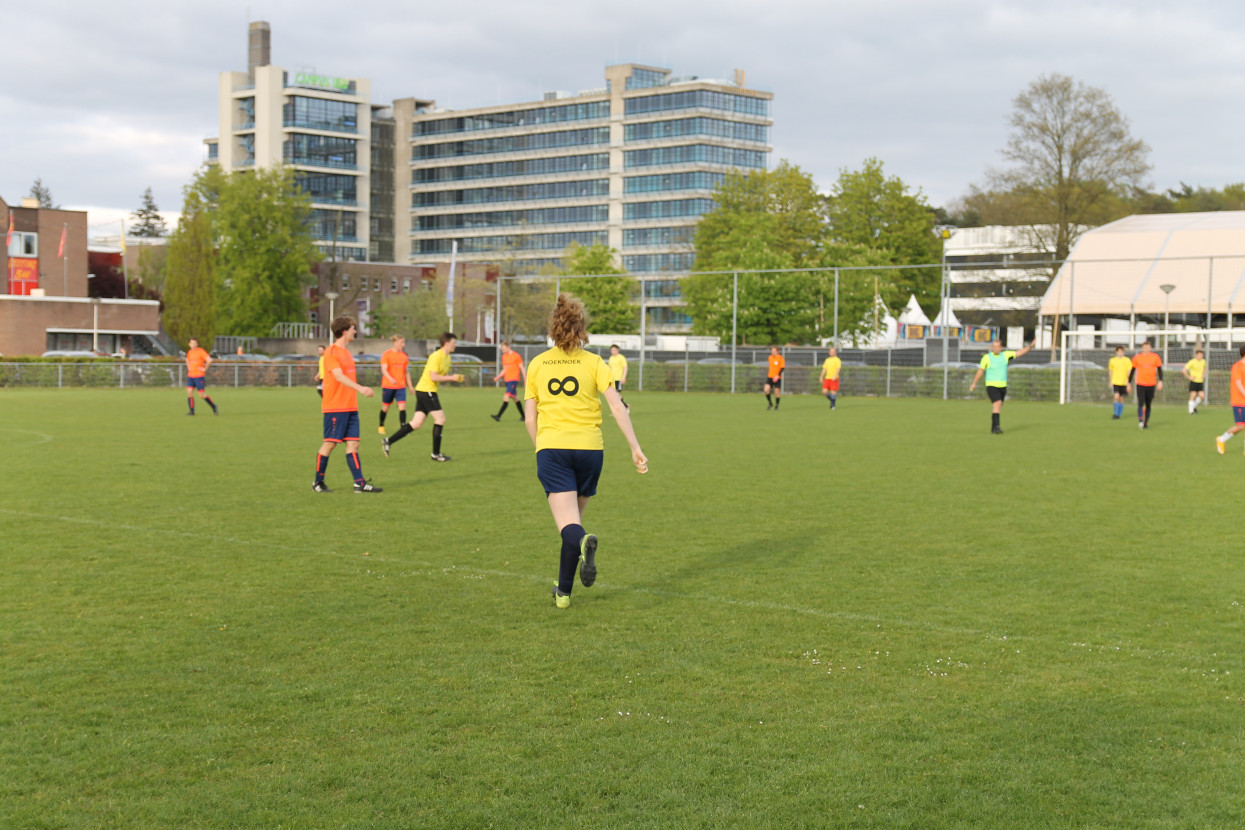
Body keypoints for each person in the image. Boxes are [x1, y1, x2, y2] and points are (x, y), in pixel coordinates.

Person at [525, 294, 646, 609]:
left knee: (570, 527)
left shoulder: (537, 363)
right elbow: (617, 407)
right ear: (582, 330)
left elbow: (529, 417)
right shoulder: (595, 362)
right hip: (591, 450)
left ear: (553, 328)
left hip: (554, 448)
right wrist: (635, 448)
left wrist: (542, 447)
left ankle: (582, 544)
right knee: (573, 520)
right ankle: (563, 594)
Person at [314, 316, 381, 493]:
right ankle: (318, 483)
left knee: (354, 444)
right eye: (353, 328)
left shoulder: (347, 353)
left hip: (350, 406)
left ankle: (359, 483)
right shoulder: (331, 352)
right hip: (335, 407)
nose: (355, 331)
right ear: (344, 330)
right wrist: (361, 388)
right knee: (330, 444)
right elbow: (338, 376)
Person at [382, 332, 463, 461]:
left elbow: (441, 376)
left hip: (425, 390)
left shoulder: (447, 358)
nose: (456, 345)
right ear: (446, 343)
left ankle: (388, 441)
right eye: (454, 342)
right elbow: (433, 376)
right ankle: (436, 454)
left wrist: (454, 378)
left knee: (416, 423)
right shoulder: (436, 356)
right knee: (440, 419)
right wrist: (451, 378)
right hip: (426, 391)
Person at [969, 339, 1036, 434]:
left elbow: (1019, 353)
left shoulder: (1005, 355)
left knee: (998, 406)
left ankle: (993, 428)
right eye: (994, 347)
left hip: (1002, 386)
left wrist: (1030, 347)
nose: (995, 349)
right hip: (991, 385)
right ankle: (996, 427)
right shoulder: (987, 358)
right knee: (997, 403)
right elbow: (981, 371)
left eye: (997, 347)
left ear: (1001, 348)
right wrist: (974, 383)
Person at [378, 335, 414, 435]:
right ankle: (381, 425)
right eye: (401, 342)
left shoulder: (404, 356)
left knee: (402, 407)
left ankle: (403, 428)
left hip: (401, 386)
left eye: (404, 342)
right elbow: (384, 369)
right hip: (388, 386)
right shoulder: (386, 354)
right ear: (395, 342)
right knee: (385, 408)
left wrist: (410, 386)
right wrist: (390, 379)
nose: (403, 344)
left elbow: (406, 372)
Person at [1215, 345, 1245, 454]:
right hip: (1239, 401)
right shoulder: (1237, 367)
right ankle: (1222, 439)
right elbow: (1238, 384)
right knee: (1240, 426)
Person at [1130, 340, 1163, 429]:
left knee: (1148, 404)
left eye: (1148, 347)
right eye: (1145, 347)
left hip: (1151, 384)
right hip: (1140, 384)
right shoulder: (1137, 358)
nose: (1146, 349)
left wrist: (1160, 381)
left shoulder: (1155, 357)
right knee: (1141, 402)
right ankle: (1140, 421)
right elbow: (1132, 370)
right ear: (1142, 348)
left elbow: (1159, 369)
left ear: (1150, 348)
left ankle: (1146, 423)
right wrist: (1128, 383)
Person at [491, 341, 527, 422]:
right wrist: (498, 377)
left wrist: (525, 379)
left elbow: (522, 368)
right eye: (502, 350)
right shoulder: (504, 357)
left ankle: (498, 416)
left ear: (508, 347)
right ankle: (524, 416)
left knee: (506, 396)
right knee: (515, 398)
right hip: (507, 380)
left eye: (503, 349)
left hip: (513, 380)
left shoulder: (516, 356)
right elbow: (505, 369)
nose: (503, 351)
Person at [184, 337, 218, 416]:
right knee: (189, 392)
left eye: (195, 343)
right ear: (189, 344)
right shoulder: (190, 352)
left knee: (201, 395)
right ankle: (192, 411)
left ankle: (213, 406)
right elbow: (187, 359)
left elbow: (209, 360)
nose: (193, 345)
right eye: (192, 343)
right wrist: (188, 367)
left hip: (199, 376)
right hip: (191, 376)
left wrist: (204, 369)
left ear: (197, 344)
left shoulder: (201, 351)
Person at [1108, 345, 1132, 419]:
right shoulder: (1112, 360)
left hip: (1124, 382)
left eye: (1121, 351)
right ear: (1116, 352)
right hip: (1115, 382)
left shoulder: (1127, 360)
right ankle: (1115, 414)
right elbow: (1110, 371)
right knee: (1116, 396)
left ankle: (1119, 414)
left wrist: (1128, 382)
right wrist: (1110, 381)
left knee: (1121, 399)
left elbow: (1129, 371)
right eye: (1118, 351)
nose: (1120, 353)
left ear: (1123, 352)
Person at [1184, 348, 1207, 415]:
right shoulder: (1192, 362)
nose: (1201, 356)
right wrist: (1189, 377)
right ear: (1196, 355)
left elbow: (1205, 368)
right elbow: (1184, 370)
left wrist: (1204, 375)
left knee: (1202, 396)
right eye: (1199, 355)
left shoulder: (1203, 361)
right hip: (1194, 381)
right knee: (1193, 395)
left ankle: (1193, 406)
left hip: (1200, 381)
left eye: (1202, 355)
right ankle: (1191, 411)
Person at [608, 344, 630, 411]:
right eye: (612, 350)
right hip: (612, 379)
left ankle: (624, 407)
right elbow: (609, 368)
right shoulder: (611, 358)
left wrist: (624, 377)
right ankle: (624, 407)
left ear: (618, 350)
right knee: (614, 395)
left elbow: (625, 367)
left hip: (619, 379)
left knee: (617, 394)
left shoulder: (621, 357)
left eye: (614, 350)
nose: (613, 351)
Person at [764, 345, 785, 410]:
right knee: (766, 390)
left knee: (777, 392)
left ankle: (777, 405)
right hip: (770, 377)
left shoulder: (780, 358)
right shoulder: (770, 357)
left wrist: (777, 375)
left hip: (777, 378)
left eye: (773, 351)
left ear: (777, 351)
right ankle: (770, 403)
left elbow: (782, 368)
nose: (772, 352)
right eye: (771, 350)